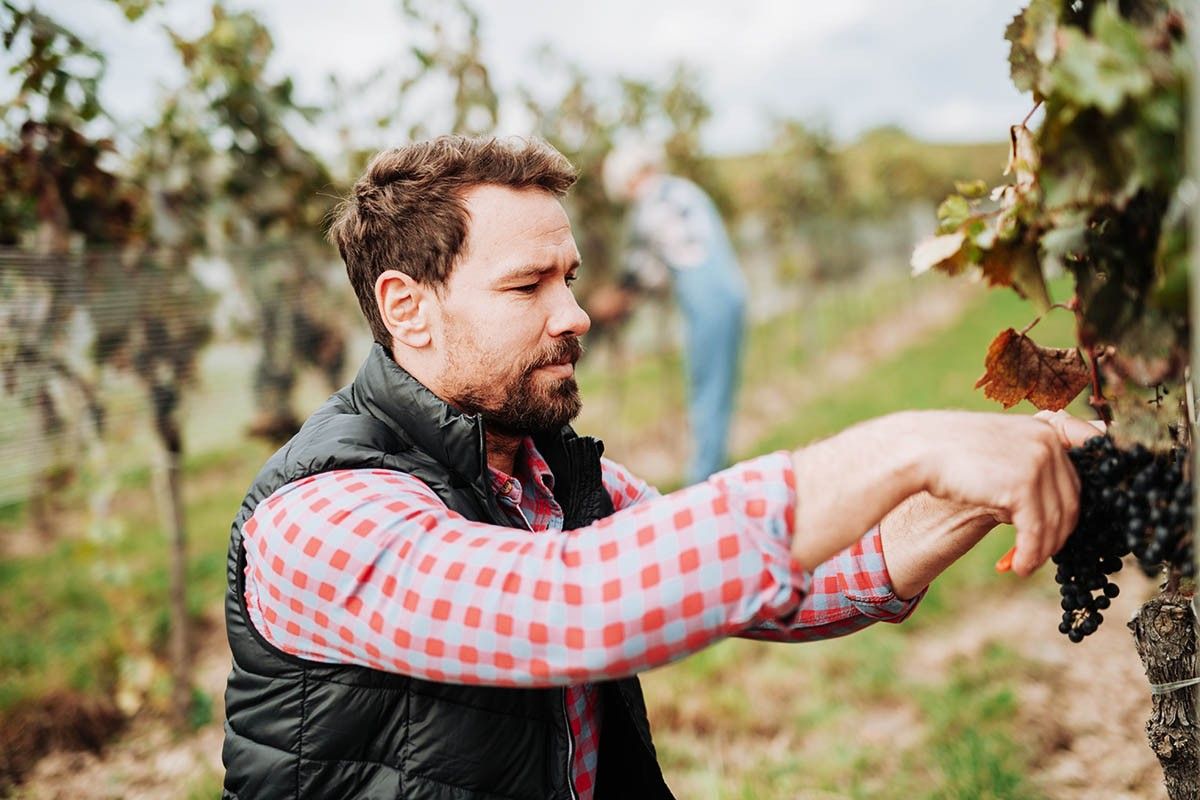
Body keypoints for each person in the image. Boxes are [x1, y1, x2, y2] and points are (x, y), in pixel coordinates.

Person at [221, 135, 1095, 800]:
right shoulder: (322, 517)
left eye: (570, 279)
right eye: (528, 287)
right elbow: (575, 606)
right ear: (407, 309)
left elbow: (806, 586)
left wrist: (982, 482)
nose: (574, 314)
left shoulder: (547, 474)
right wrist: (902, 446)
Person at [592, 139, 747, 483]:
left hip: (707, 304)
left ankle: (704, 481)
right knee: (720, 388)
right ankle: (719, 471)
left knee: (706, 390)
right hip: (731, 294)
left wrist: (619, 297)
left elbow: (643, 269)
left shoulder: (651, 203)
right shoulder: (685, 191)